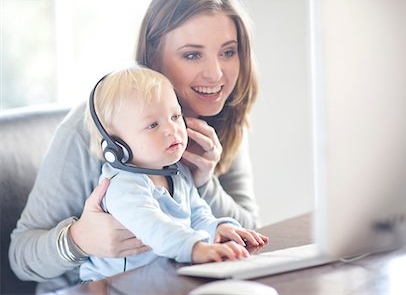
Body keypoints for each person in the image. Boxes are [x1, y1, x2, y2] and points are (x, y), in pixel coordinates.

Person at [9, 0, 260, 285]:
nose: (216, 73)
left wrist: (203, 183)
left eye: (228, 52)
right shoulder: (90, 128)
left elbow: (251, 232)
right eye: (192, 55)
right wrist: (78, 240)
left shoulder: (219, 116)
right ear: (152, 56)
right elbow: (21, 258)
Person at [80, 65, 267, 281]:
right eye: (152, 125)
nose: (172, 129)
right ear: (115, 145)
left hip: (158, 277)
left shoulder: (177, 172)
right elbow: (155, 228)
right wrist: (195, 248)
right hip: (110, 285)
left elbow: (197, 214)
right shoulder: (122, 186)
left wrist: (219, 227)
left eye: (176, 116)